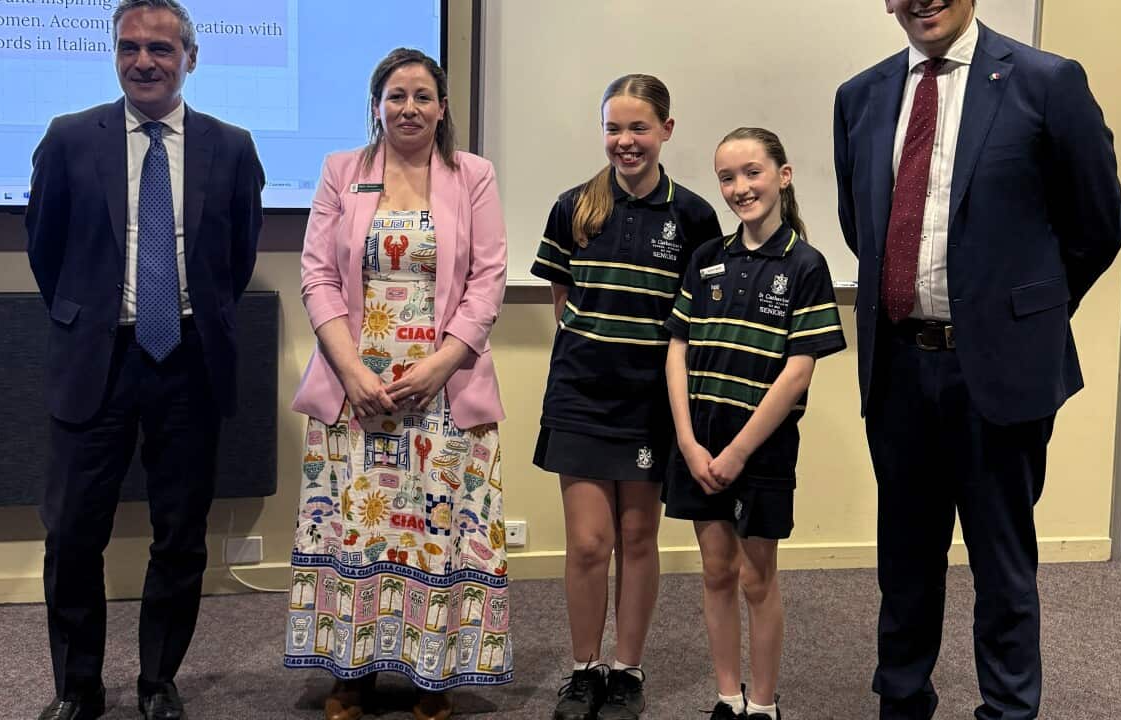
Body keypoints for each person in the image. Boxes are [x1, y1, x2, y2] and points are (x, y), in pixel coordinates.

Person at [833, 2, 1121, 718]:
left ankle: (1008, 710)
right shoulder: (860, 96)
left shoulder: (1046, 82)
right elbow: (860, 225)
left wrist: (1022, 316)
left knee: (1002, 566)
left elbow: (1097, 225)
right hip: (899, 368)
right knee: (905, 563)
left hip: (998, 370)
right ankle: (903, 702)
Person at [24, 0, 264, 718]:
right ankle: (78, 688)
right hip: (96, 360)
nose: (143, 62)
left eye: (160, 48)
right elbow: (45, 247)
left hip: (188, 358)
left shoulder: (232, 146)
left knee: (180, 534)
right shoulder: (70, 138)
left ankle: (159, 681)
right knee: (72, 533)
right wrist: (91, 317)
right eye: (129, 47)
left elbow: (236, 257)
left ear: (189, 57)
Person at [287, 47, 511, 720]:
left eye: (422, 96)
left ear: (442, 108)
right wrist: (352, 371)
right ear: (376, 105)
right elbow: (317, 276)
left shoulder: (473, 175)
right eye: (396, 95)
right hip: (355, 390)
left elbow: (488, 278)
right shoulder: (341, 171)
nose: (408, 108)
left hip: (445, 388)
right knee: (356, 528)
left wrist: (443, 363)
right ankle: (351, 673)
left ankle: (431, 673)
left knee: (436, 530)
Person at [530, 74, 721, 720]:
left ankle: (627, 671)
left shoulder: (693, 216)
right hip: (580, 399)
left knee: (638, 537)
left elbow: (695, 318)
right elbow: (564, 302)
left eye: (639, 127)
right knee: (589, 543)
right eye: (613, 128)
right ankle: (584, 670)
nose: (626, 140)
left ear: (666, 129)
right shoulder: (572, 207)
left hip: (650, 405)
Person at [664, 128, 845, 720]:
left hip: (760, 451)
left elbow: (797, 372)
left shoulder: (806, 264)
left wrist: (738, 452)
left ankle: (763, 704)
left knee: (755, 578)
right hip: (700, 446)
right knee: (716, 571)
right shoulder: (705, 259)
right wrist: (688, 441)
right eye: (727, 177)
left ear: (783, 176)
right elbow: (677, 349)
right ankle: (728, 696)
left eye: (752, 172)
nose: (740, 187)